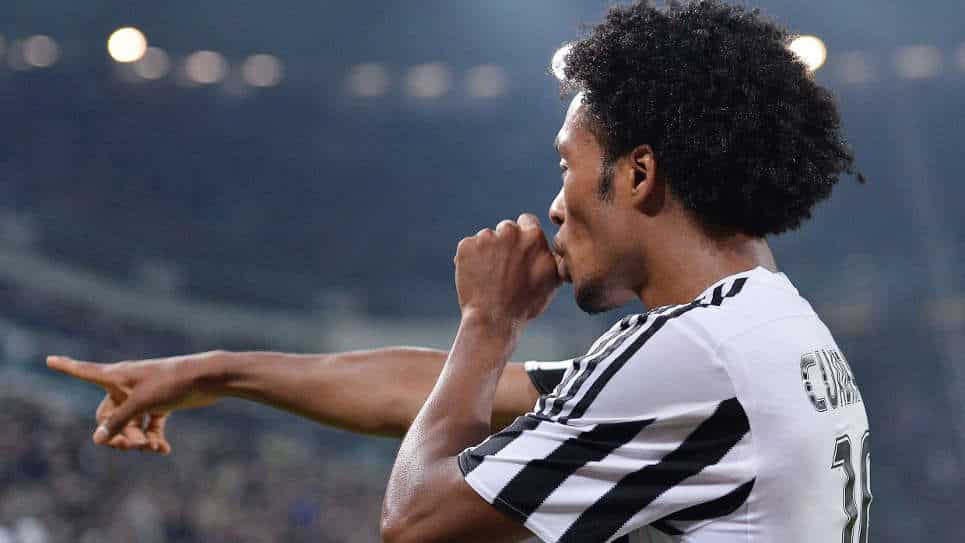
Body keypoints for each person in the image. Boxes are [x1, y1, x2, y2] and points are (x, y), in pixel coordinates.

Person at [49, 1, 870, 541]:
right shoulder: (760, 323)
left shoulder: (693, 352)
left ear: (637, 174)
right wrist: (216, 372)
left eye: (565, 167)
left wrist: (487, 321)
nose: (554, 205)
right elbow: (428, 393)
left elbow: (413, 520)